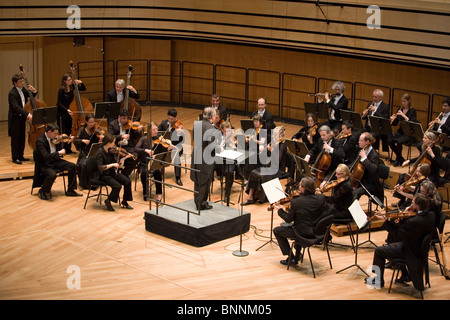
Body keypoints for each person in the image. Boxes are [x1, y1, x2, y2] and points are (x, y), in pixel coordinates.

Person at [366, 193, 435, 291]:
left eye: (413, 203)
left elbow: (397, 235)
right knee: (391, 246)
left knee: (379, 250)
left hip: (409, 251)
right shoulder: (431, 216)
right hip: (419, 248)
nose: (411, 205)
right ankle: (405, 274)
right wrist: (403, 220)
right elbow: (410, 231)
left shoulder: (413, 222)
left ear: (416, 205)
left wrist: (385, 220)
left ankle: (378, 281)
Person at [273, 177, 327, 266]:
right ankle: (298, 254)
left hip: (302, 234)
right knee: (300, 224)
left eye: (300, 186)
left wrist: (280, 210)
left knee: (277, 230)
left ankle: (291, 258)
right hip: (317, 233)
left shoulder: (296, 202)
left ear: (303, 188)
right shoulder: (321, 198)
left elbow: (288, 219)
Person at [34, 124, 82, 200]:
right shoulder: (40, 141)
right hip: (44, 164)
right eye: (55, 133)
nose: (57, 135)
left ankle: (71, 190)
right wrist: (59, 153)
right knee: (52, 174)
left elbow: (62, 150)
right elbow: (46, 157)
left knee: (72, 166)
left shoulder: (56, 139)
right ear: (49, 132)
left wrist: (63, 142)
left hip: (55, 161)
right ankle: (43, 190)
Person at [242, 126, 288, 205]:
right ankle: (251, 196)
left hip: (278, 169)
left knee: (260, 175)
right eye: (273, 135)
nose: (274, 137)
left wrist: (272, 150)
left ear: (281, 135)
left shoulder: (283, 145)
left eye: (276, 135)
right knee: (253, 172)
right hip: (270, 166)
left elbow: (278, 161)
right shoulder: (274, 142)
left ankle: (256, 196)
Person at [135, 122, 174, 202]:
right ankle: (145, 192)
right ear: (149, 131)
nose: (156, 131)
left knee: (157, 173)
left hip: (155, 163)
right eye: (153, 129)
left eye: (156, 129)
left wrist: (168, 149)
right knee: (143, 174)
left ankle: (159, 194)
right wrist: (145, 150)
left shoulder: (160, 140)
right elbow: (136, 149)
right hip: (144, 163)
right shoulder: (144, 139)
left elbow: (163, 152)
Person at [190, 107, 220, 210]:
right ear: (212, 116)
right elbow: (211, 147)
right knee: (204, 181)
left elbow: (194, 139)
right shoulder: (210, 129)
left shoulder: (197, 124)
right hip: (205, 159)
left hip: (196, 155)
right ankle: (201, 204)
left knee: (197, 180)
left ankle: (197, 201)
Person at [96, 134, 134, 211]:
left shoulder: (111, 151)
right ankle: (108, 201)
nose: (114, 144)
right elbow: (100, 168)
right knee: (117, 186)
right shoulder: (100, 152)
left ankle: (124, 201)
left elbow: (117, 164)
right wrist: (112, 165)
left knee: (127, 181)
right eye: (113, 142)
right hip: (104, 175)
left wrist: (125, 158)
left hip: (112, 173)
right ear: (108, 143)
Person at [56, 73, 86, 154]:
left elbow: (83, 89)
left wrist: (80, 82)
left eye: (71, 80)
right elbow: (59, 103)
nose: (71, 81)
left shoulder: (72, 87)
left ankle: (68, 149)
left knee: (69, 131)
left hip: (70, 113)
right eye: (69, 80)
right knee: (63, 131)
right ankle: (62, 149)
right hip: (62, 113)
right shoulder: (61, 90)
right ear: (65, 81)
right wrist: (67, 110)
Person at [8, 73, 34, 164]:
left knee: (22, 137)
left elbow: (31, 96)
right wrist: (27, 114)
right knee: (15, 138)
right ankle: (15, 157)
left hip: (22, 118)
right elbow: (16, 107)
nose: (22, 83)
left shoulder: (22, 90)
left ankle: (20, 155)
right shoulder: (12, 93)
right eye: (20, 82)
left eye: (22, 81)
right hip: (15, 119)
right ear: (15, 83)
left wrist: (33, 91)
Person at [73, 114, 105, 189]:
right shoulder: (82, 130)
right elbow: (75, 140)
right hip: (84, 152)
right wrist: (82, 140)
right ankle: (84, 183)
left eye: (93, 122)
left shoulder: (96, 129)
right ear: (86, 122)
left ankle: (93, 183)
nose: (92, 124)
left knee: (91, 163)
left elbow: (100, 144)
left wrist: (101, 139)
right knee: (82, 164)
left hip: (94, 152)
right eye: (90, 122)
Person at [107, 109, 141, 177]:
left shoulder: (130, 124)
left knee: (136, 156)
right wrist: (121, 136)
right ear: (119, 117)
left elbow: (135, 137)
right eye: (123, 118)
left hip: (128, 146)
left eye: (126, 118)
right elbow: (110, 137)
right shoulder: (112, 124)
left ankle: (124, 173)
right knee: (115, 158)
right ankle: (114, 174)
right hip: (116, 146)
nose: (125, 120)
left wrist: (138, 131)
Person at [352, 132, 384, 203]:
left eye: (361, 141)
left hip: (371, 183)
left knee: (355, 192)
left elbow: (373, 170)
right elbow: (355, 165)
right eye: (359, 140)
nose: (358, 142)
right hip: (361, 180)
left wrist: (365, 159)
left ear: (367, 142)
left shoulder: (374, 155)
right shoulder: (361, 151)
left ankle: (352, 212)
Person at [388, 93, 419, 167]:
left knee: (399, 141)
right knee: (389, 140)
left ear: (409, 101)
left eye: (404, 101)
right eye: (402, 101)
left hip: (409, 133)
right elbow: (395, 123)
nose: (403, 103)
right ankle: (400, 158)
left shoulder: (413, 110)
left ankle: (397, 159)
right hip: (400, 131)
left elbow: (413, 122)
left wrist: (403, 115)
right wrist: (392, 119)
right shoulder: (400, 108)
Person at [158, 108, 184, 186]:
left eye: (172, 119)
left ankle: (178, 178)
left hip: (175, 146)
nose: (170, 120)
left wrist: (179, 133)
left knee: (177, 159)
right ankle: (158, 173)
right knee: (159, 154)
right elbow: (158, 133)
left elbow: (181, 140)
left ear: (175, 118)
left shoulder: (179, 126)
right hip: (164, 146)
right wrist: (161, 138)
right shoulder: (163, 123)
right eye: (168, 118)